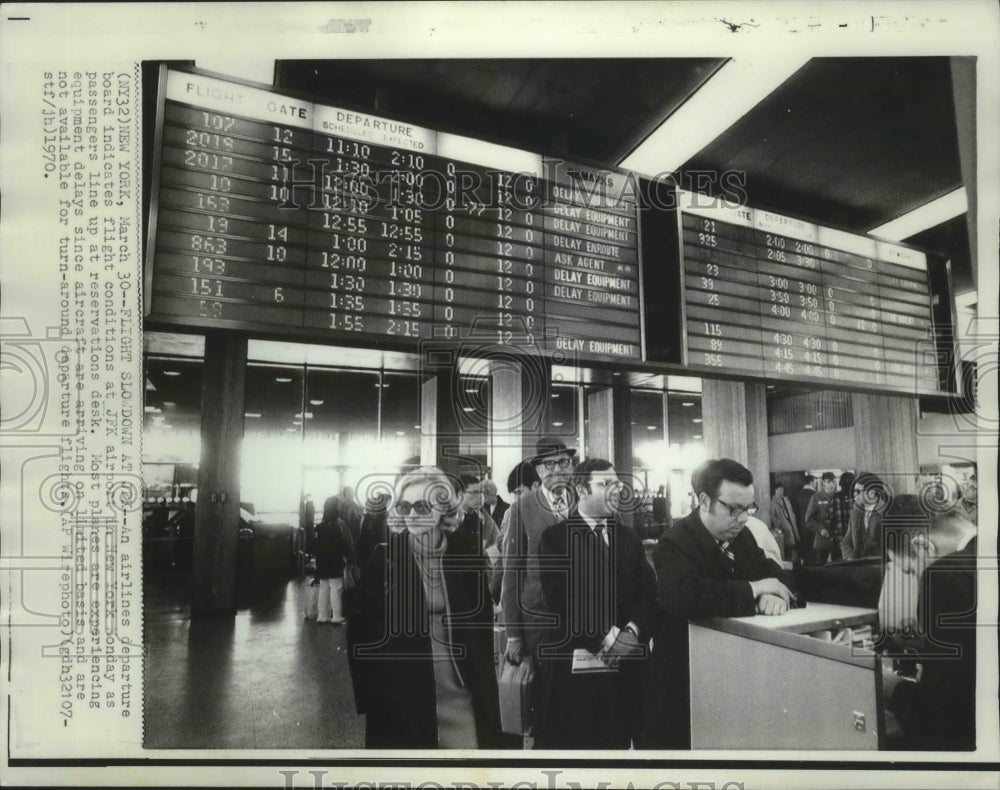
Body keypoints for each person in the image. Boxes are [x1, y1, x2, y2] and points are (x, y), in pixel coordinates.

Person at [642, 459, 796, 749]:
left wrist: (772, 593)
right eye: (733, 509)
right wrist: (755, 589)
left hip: (733, 678)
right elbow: (689, 596)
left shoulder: (742, 536)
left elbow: (774, 574)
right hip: (682, 684)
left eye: (749, 509)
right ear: (704, 500)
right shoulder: (674, 543)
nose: (742, 518)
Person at [346, 466, 502, 748]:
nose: (413, 515)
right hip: (404, 691)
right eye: (405, 506)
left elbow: (481, 623)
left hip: (461, 686)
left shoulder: (466, 553)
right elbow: (360, 632)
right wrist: (372, 697)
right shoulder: (385, 559)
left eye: (422, 506)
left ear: (443, 508)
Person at [535, 458, 656, 749]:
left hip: (626, 673)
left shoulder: (628, 538)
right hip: (579, 676)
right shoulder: (556, 539)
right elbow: (563, 600)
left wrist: (632, 632)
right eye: (604, 484)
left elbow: (648, 592)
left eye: (616, 484)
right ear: (582, 490)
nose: (615, 490)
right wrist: (607, 638)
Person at [881, 496, 977, 750]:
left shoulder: (943, 576)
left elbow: (939, 718)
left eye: (911, 571)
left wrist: (892, 687)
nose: (916, 578)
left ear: (923, 547)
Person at [499, 437, 576, 745]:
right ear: (538, 470)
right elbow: (512, 573)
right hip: (540, 621)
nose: (558, 469)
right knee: (545, 704)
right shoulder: (521, 509)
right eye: (550, 464)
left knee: (578, 699)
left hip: (582, 618)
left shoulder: (584, 500)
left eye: (564, 462)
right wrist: (514, 634)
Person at [313, 495, 356, 625]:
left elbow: (314, 545)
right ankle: (337, 616)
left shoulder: (319, 527)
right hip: (335, 561)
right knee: (336, 588)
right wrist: (350, 558)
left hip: (321, 562)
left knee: (323, 588)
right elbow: (343, 545)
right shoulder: (338, 526)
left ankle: (322, 616)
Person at [840, 472, 890, 560]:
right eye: (854, 491)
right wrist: (852, 558)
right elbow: (846, 542)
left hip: (879, 568)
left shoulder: (887, 513)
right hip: (859, 568)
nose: (854, 494)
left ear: (871, 493)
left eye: (858, 491)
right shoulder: (854, 514)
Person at [805, 471, 840, 564]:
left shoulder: (839, 497)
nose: (832, 484)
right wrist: (820, 529)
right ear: (823, 483)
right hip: (822, 541)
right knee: (821, 569)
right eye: (829, 482)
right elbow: (808, 519)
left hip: (838, 540)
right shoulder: (816, 498)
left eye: (833, 482)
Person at [770, 482, 800, 563]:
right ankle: (788, 562)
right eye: (780, 489)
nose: (782, 491)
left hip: (791, 523)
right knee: (787, 546)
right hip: (783, 527)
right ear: (775, 490)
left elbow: (790, 511)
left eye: (782, 489)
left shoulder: (785, 499)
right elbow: (773, 516)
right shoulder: (772, 502)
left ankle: (793, 561)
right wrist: (779, 524)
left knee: (793, 544)